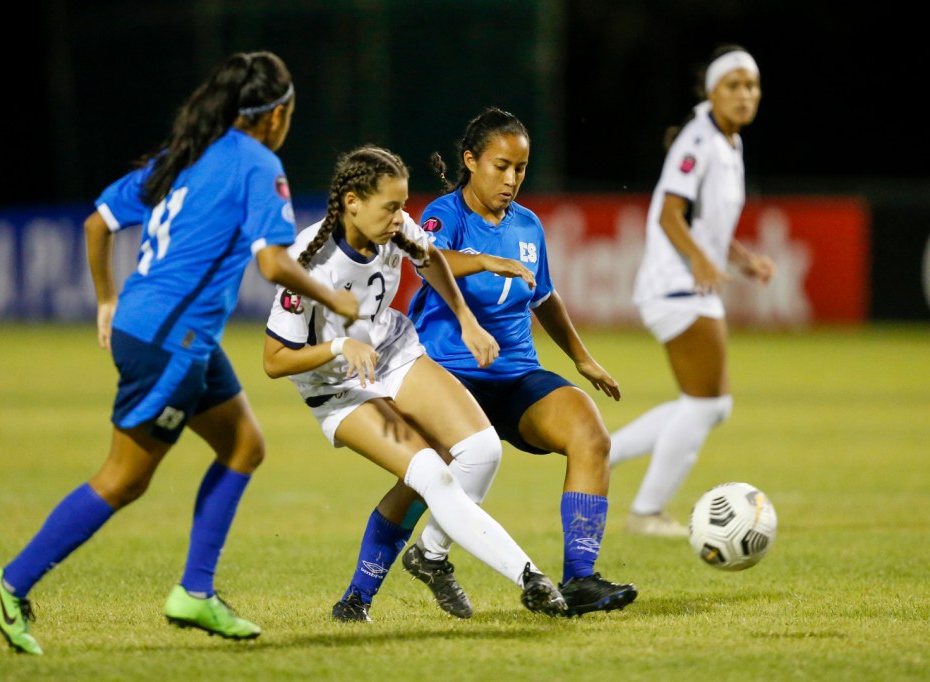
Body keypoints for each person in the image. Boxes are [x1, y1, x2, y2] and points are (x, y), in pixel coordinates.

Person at [0, 51, 360, 655]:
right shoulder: (259, 164)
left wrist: (106, 300)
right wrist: (334, 297)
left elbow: (97, 223)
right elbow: (272, 262)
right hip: (171, 342)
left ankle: (195, 593)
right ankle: (8, 583)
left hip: (161, 329)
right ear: (276, 114)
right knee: (124, 479)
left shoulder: (185, 153)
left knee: (244, 445)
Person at [329, 107, 638, 621]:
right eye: (501, 166)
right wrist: (485, 260)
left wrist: (582, 359)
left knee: (590, 433)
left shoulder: (528, 226)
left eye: (521, 168)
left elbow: (545, 297)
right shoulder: (445, 216)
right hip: (448, 375)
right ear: (471, 161)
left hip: (514, 377)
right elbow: (428, 260)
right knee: (424, 477)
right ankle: (357, 597)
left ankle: (580, 578)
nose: (512, 179)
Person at [263, 145, 569, 623]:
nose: (400, 219)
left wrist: (467, 320)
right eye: (390, 207)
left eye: (402, 206)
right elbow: (275, 360)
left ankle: (422, 559)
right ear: (352, 203)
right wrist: (340, 347)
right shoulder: (309, 262)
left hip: (392, 351)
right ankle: (528, 576)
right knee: (431, 473)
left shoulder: (396, 226)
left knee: (482, 450)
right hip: (336, 386)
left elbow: (431, 260)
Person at [607, 45, 775, 537]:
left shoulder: (727, 142)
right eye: (733, 85)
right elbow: (668, 214)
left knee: (712, 405)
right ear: (711, 92)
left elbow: (706, 223)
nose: (745, 95)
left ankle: (605, 450)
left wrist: (742, 259)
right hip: (675, 285)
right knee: (703, 405)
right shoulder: (699, 141)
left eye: (752, 86)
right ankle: (646, 512)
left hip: (688, 285)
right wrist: (700, 259)